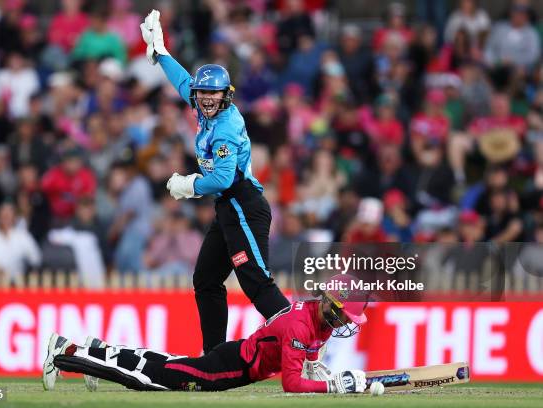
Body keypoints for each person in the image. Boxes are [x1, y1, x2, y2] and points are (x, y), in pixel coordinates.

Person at [138, 10, 290, 354]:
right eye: (203, 92)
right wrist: (161, 53)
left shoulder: (224, 127)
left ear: (226, 95)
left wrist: (186, 185)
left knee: (255, 282)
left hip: (244, 205)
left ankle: (303, 343)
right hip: (227, 208)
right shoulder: (201, 104)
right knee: (206, 281)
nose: (206, 98)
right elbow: (182, 83)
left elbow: (222, 177)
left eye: (213, 93)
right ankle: (214, 357)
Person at [42, 280, 368, 393]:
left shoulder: (321, 321)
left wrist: (327, 376)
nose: (344, 322)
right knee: (151, 380)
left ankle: (95, 348)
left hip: (234, 359)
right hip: (226, 369)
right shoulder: (302, 324)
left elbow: (308, 363)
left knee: (161, 362)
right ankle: (66, 354)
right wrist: (333, 385)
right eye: (343, 313)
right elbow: (292, 383)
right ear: (329, 301)